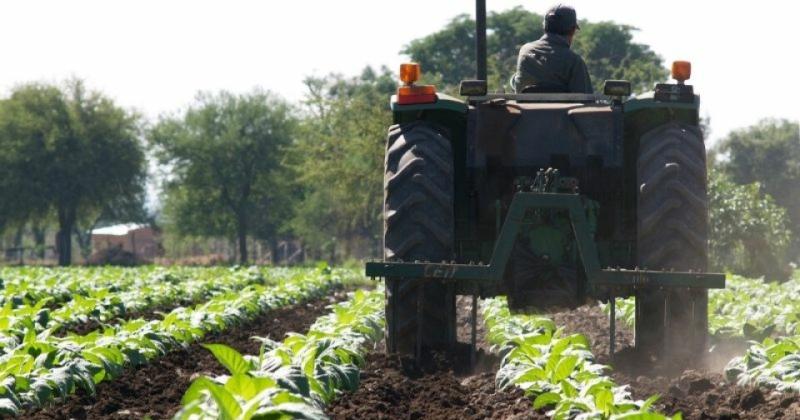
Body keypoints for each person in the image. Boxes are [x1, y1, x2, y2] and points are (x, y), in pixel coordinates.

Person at [512, 4, 593, 94]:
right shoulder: (574, 61)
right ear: (572, 30)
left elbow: (518, 82)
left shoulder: (525, 51)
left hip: (524, 107)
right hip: (561, 108)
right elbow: (586, 98)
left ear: (545, 27)